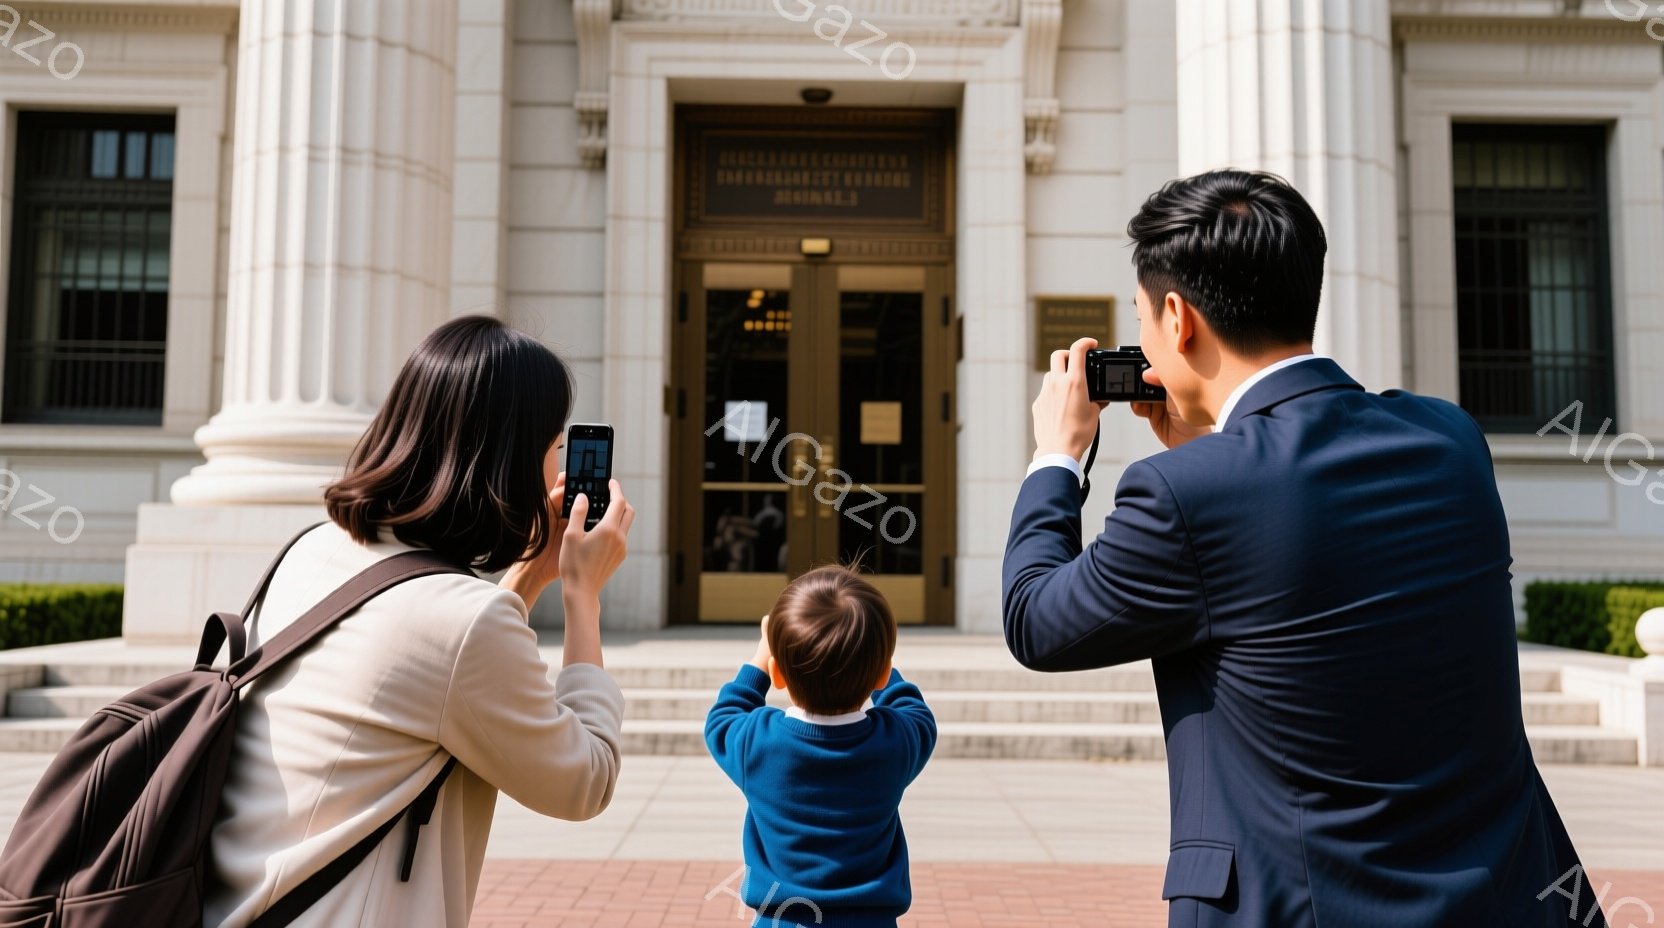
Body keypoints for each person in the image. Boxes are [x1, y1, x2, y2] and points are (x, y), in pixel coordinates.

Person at [1002, 170, 1593, 927]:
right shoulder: (1450, 440)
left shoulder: (1185, 493)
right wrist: (1212, 449)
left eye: (1144, 318)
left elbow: (1036, 621)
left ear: (1178, 319)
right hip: (1507, 899)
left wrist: (1057, 454)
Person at [204, 315, 635, 927]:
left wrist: (531, 574)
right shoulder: (461, 621)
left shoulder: (308, 549)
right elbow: (582, 781)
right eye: (554, 444)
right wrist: (581, 595)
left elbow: (434, 651)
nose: (556, 463)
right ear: (511, 456)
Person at [704, 566, 937, 928]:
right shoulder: (897, 743)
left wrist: (760, 658)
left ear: (778, 673)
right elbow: (914, 710)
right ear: (881, 673)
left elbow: (723, 715)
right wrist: (877, 661)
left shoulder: (758, 742)